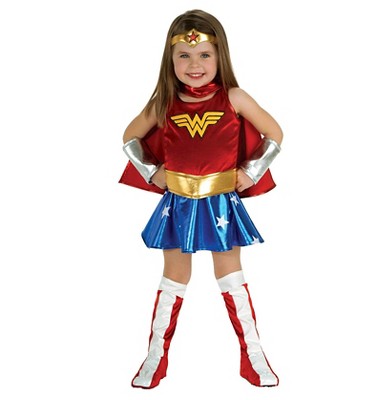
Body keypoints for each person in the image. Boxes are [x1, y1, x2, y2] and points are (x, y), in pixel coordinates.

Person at [119, 9, 283, 389]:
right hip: (177, 203)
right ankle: (155, 358)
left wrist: (251, 171)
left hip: (221, 203)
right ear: (171, 59)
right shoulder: (163, 102)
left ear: (220, 56)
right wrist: (152, 171)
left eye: (205, 54)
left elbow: (274, 133)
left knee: (231, 277)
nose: (195, 65)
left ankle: (253, 357)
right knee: (174, 279)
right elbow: (129, 137)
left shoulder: (234, 98)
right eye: (185, 55)